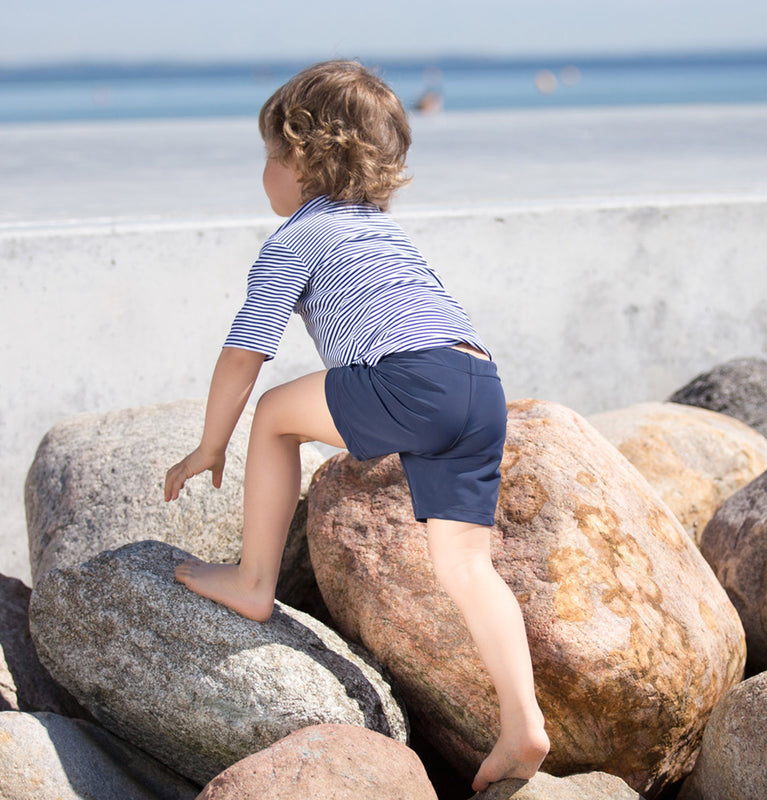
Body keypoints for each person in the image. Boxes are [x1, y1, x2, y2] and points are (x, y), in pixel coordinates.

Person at [163, 59, 549, 792]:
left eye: (270, 154)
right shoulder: (383, 234)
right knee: (467, 566)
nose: (265, 172)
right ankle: (521, 720)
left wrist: (211, 443)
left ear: (301, 160)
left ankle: (253, 580)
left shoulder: (294, 241)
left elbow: (245, 350)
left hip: (411, 379)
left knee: (276, 415)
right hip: (478, 380)